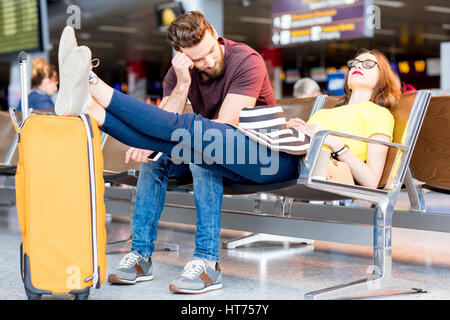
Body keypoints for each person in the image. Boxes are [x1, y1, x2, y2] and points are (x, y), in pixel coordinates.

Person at [56, 36, 400, 290]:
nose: (357, 66)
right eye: (354, 62)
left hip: (298, 163)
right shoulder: (328, 110)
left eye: (367, 64)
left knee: (195, 135)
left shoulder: (379, 115)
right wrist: (298, 128)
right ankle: (93, 111)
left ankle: (93, 89)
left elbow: (371, 181)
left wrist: (336, 145)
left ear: (382, 76)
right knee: (160, 157)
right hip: (276, 147)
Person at [56, 11, 275, 294]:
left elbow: (224, 127)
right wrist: (183, 82)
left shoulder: (246, 61)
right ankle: (140, 256)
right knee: (154, 161)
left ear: (213, 32)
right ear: (182, 55)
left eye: (210, 50)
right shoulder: (179, 72)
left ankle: (208, 261)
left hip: (255, 155)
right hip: (207, 145)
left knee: (202, 155)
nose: (208, 61)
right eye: (197, 59)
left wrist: (154, 139)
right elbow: (161, 125)